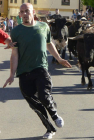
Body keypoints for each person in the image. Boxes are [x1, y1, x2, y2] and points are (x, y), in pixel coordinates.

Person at [3, 3, 72, 140]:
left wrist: (58, 58)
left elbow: (49, 43)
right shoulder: (16, 32)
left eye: (27, 11)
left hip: (40, 68)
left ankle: (54, 115)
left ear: (33, 12)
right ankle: (49, 129)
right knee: (34, 104)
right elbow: (14, 55)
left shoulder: (43, 26)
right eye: (21, 12)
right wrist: (11, 75)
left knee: (43, 95)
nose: (24, 14)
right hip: (23, 72)